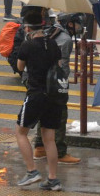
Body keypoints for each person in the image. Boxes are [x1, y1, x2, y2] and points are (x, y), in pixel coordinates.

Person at [14, 8, 64, 191]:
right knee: (49, 139)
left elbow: (20, 67)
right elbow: (58, 66)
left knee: (21, 132)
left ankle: (32, 171)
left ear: (27, 28)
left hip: (36, 94)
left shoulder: (27, 45)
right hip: (54, 95)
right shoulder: (53, 44)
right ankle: (53, 179)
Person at [32, 12, 82, 166]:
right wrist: (63, 82)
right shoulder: (66, 39)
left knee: (43, 112)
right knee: (60, 116)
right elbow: (63, 64)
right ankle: (60, 152)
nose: (80, 27)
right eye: (78, 23)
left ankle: (39, 148)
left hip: (40, 81)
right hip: (54, 83)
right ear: (69, 23)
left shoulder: (49, 31)